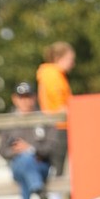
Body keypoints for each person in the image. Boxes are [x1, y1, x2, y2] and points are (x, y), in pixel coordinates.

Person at [0, 83, 58, 199]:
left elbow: (51, 147)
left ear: (34, 97)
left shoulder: (44, 119)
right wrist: (16, 151)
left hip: (41, 165)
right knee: (24, 161)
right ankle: (37, 188)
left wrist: (31, 149)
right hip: (17, 166)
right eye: (21, 97)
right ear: (15, 99)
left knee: (27, 163)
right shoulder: (7, 122)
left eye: (28, 97)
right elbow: (1, 149)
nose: (25, 101)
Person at [36, 42, 75, 175]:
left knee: (62, 168)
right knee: (61, 169)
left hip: (59, 125)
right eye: (70, 59)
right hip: (59, 126)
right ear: (59, 58)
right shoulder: (53, 75)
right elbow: (58, 103)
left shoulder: (54, 74)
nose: (72, 63)